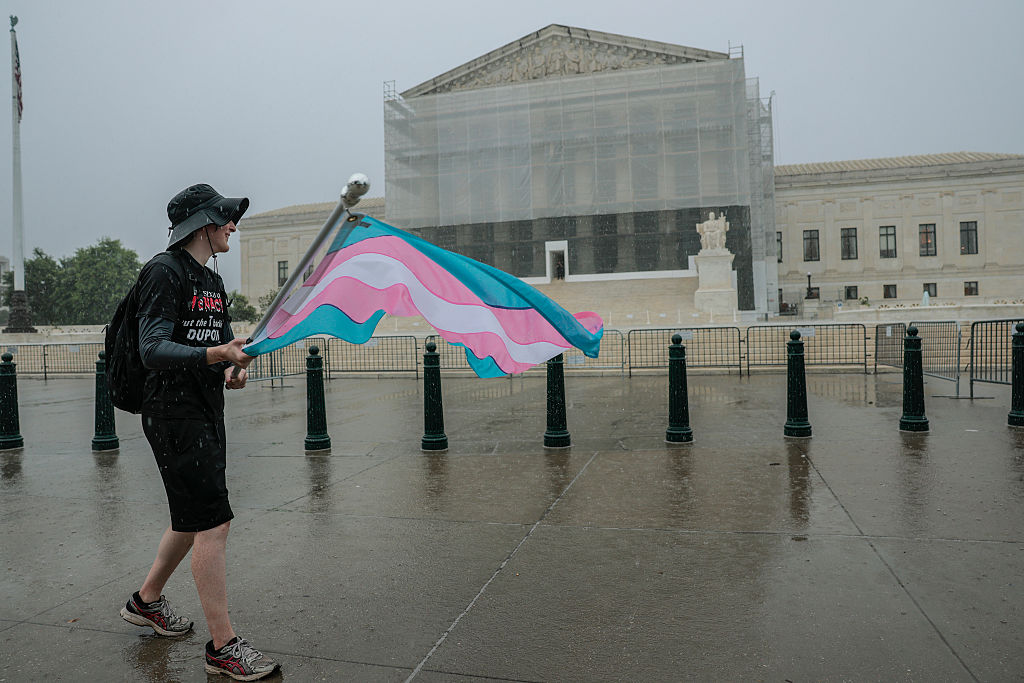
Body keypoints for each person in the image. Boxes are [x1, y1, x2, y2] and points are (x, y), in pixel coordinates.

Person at [118, 183, 279, 681]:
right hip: (171, 412)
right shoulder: (163, 272)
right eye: (226, 218)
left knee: (192, 518)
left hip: (205, 408)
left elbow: (217, 346)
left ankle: (146, 602)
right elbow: (153, 348)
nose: (233, 225)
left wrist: (230, 367)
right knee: (213, 521)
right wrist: (216, 355)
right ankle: (223, 647)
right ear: (202, 223)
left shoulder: (211, 281)